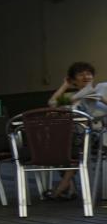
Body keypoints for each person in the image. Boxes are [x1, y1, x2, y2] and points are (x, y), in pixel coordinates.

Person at [44, 61, 100, 200]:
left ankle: (64, 184)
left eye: (88, 73)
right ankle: (69, 187)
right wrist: (65, 85)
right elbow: (52, 104)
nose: (86, 76)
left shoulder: (98, 91)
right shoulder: (72, 96)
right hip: (75, 136)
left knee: (74, 142)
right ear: (74, 79)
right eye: (81, 74)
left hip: (96, 134)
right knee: (57, 143)